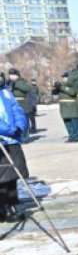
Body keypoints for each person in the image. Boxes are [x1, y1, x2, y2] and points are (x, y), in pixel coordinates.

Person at [0, 78, 28, 222]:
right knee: (2, 178)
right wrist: (9, 130)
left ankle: (13, 202)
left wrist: (19, 127)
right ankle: (4, 207)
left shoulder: (5, 91)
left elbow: (17, 109)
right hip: (2, 138)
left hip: (11, 140)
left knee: (14, 174)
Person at [54, 68, 78, 142]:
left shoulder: (73, 84)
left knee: (75, 123)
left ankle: (77, 136)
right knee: (68, 123)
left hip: (72, 106)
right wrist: (55, 87)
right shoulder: (62, 85)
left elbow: (72, 93)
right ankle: (71, 136)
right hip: (64, 107)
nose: (64, 79)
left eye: (66, 77)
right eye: (63, 77)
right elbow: (54, 93)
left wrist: (61, 87)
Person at [7, 69, 35, 135]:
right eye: (10, 75)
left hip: (22, 103)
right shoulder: (8, 83)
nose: (12, 76)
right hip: (12, 103)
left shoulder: (21, 81)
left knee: (24, 120)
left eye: (14, 75)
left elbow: (27, 89)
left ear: (18, 76)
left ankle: (25, 137)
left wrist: (16, 84)